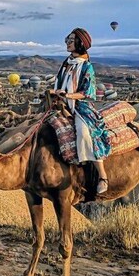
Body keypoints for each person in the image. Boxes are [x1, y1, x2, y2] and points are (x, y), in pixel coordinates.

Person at [52, 28, 111, 194]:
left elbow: (88, 93)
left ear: (80, 44)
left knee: (84, 133)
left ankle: (102, 176)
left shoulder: (87, 67)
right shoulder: (67, 62)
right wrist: (55, 92)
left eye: (71, 40)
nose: (68, 42)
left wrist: (68, 95)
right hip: (61, 103)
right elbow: (60, 83)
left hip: (81, 107)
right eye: (67, 39)